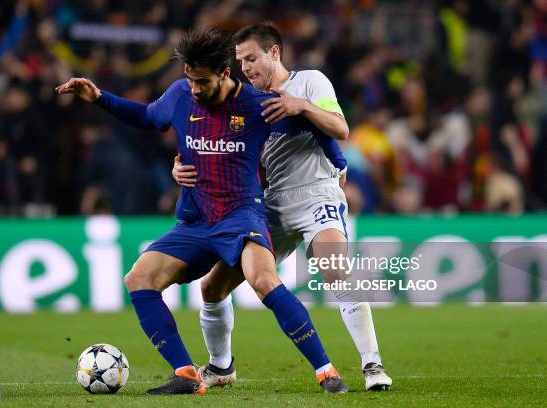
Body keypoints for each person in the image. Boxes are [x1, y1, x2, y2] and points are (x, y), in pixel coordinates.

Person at [56, 28, 347, 395]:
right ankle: (186, 373)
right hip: (196, 218)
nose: (194, 88)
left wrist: (337, 164)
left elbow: (315, 130)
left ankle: (326, 371)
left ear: (226, 74)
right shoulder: (180, 95)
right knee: (138, 279)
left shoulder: (258, 105)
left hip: (243, 215)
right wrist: (99, 97)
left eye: (202, 81)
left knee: (263, 281)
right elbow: (147, 116)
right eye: (190, 79)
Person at [173, 22, 392, 391]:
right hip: (271, 203)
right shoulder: (242, 101)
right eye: (241, 61)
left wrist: (301, 106)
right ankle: (221, 366)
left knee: (335, 269)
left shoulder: (310, 82)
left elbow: (340, 129)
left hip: (317, 193)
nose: (247, 67)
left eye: (252, 58)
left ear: (275, 52)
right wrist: (182, 165)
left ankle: (372, 366)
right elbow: (213, 146)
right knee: (212, 288)